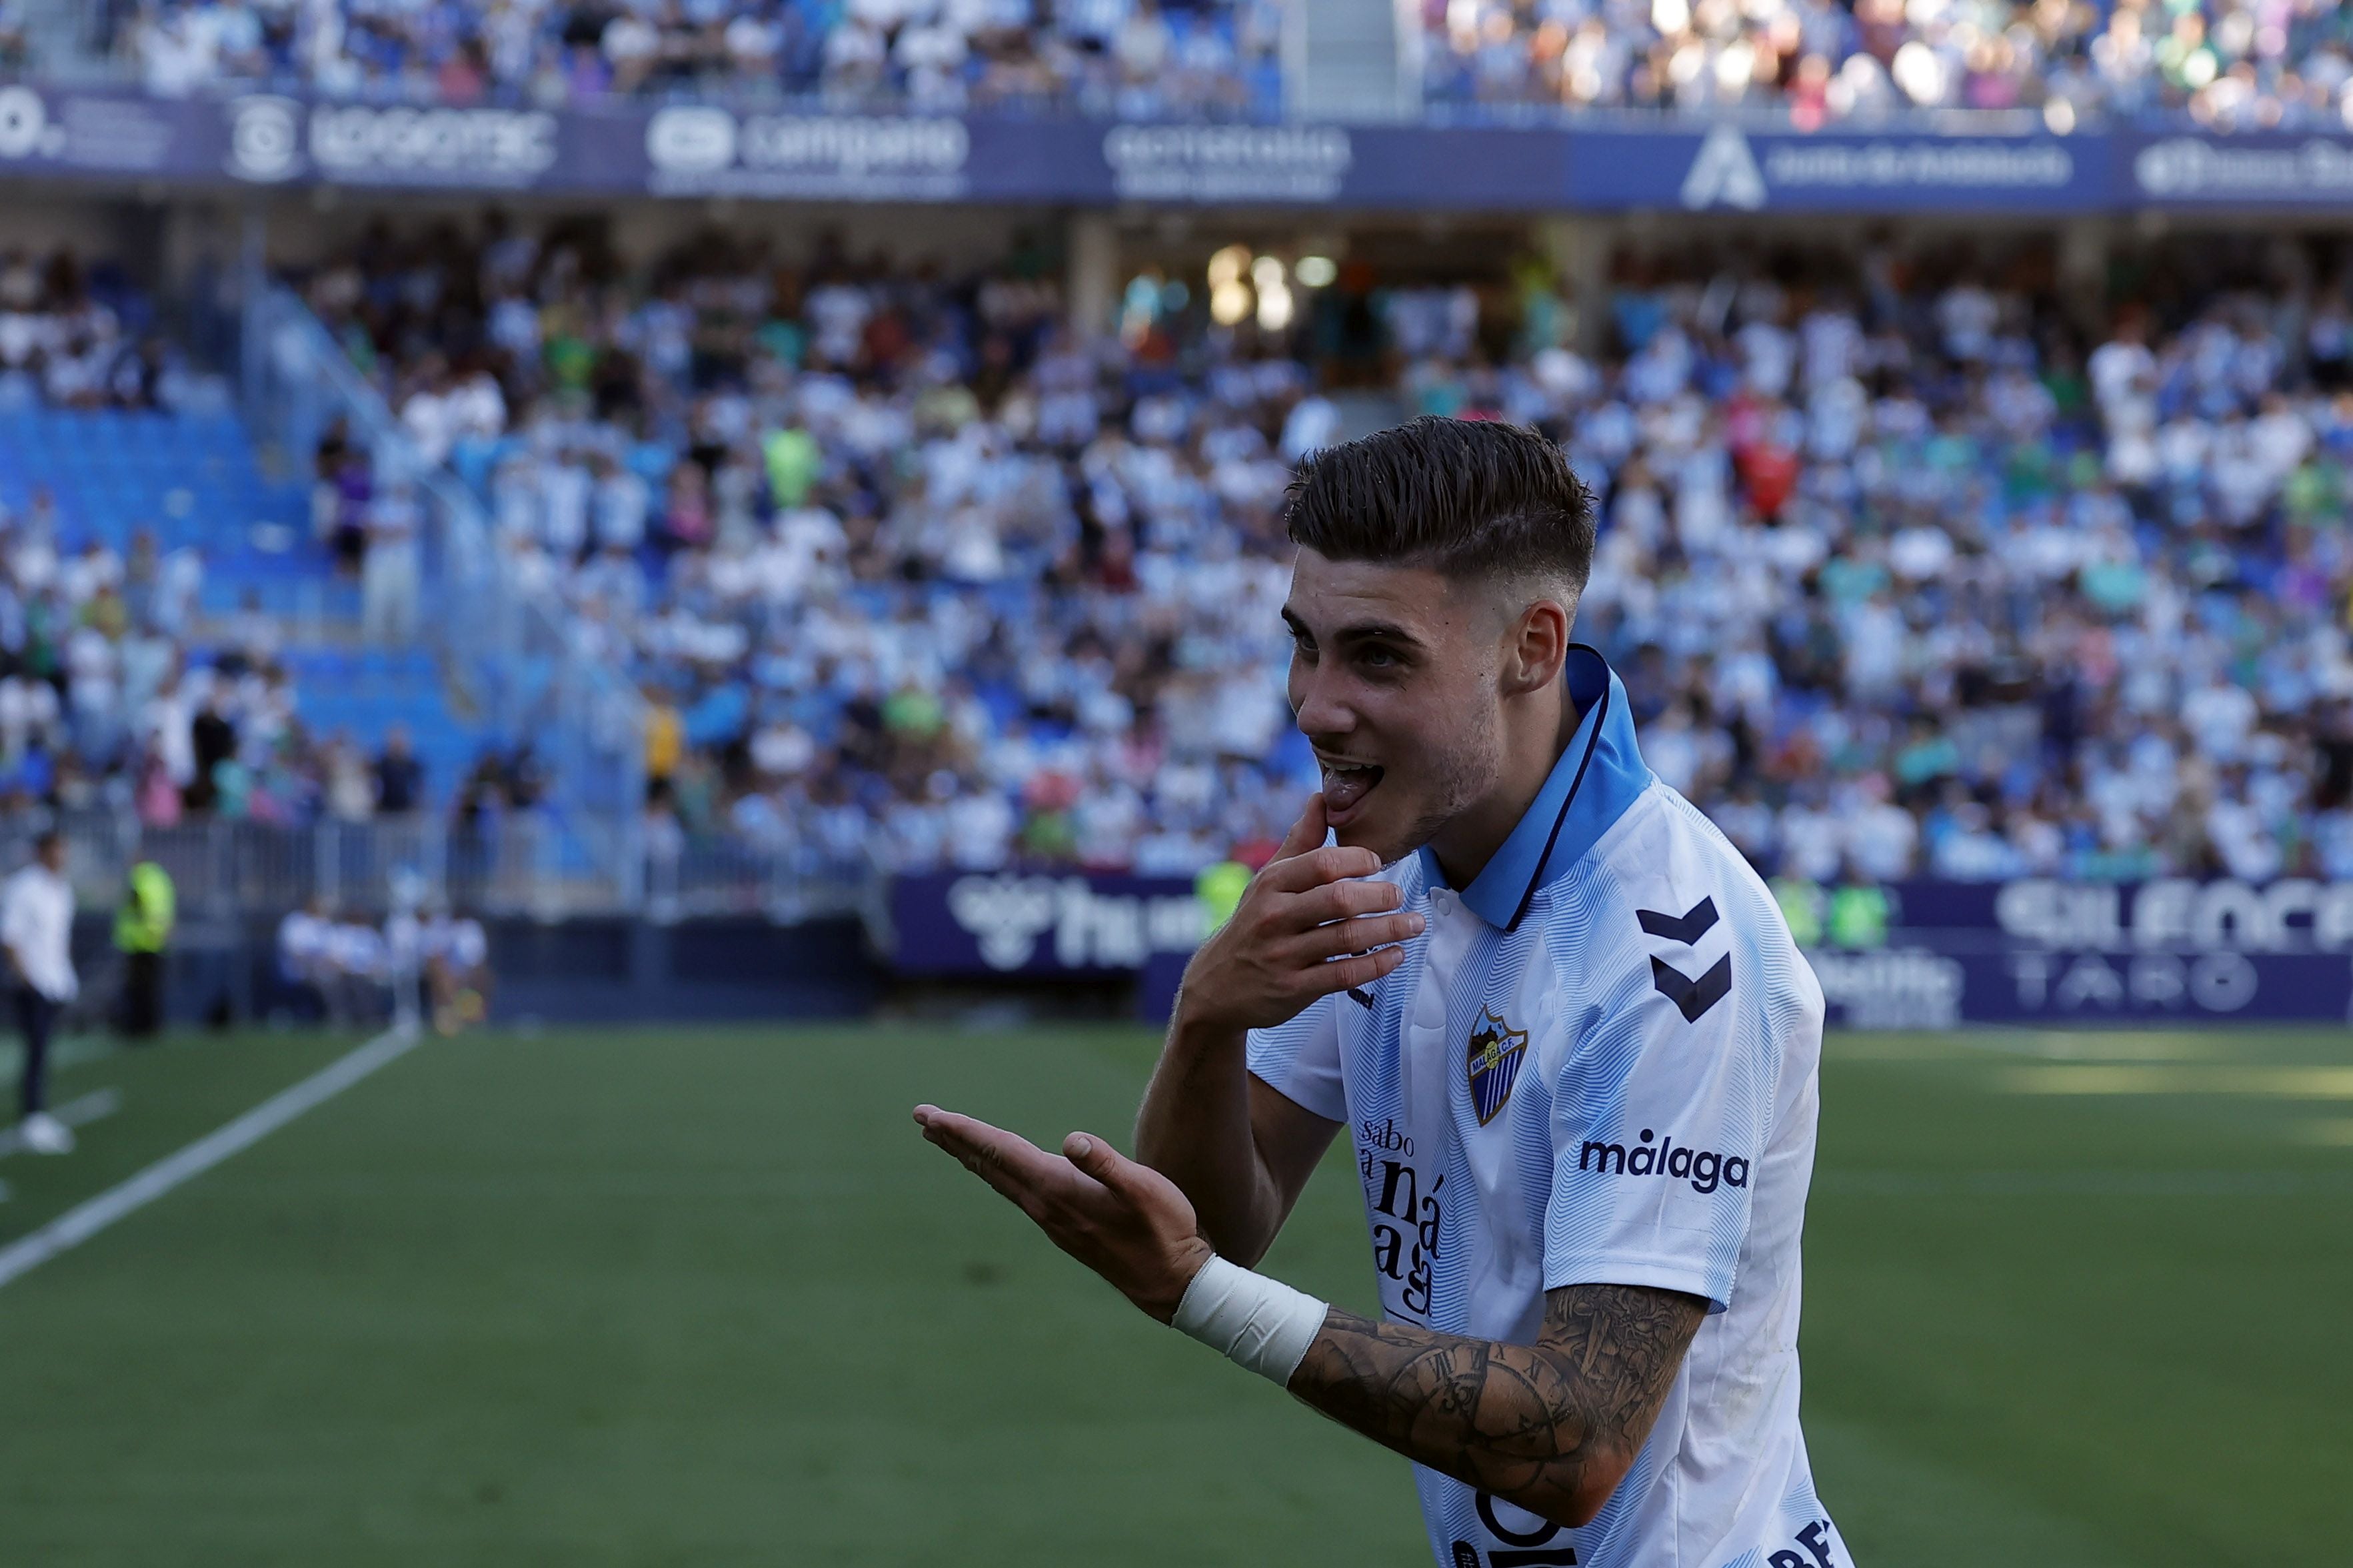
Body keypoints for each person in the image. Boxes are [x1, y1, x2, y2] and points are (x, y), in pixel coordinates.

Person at [914, 418, 1844, 1568]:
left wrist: (1200, 1296)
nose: (1313, 703)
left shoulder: (1670, 958)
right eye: (1303, 644)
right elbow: (1215, 1216)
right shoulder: (1387, 864)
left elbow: (1580, 1438)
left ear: (1534, 647)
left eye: (1379, 656)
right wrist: (1209, 1014)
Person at [3, 830, 78, 1154]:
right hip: (32, 983)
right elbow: (10, 937)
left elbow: (60, 939)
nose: (63, 857)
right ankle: (33, 1116)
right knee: (36, 1049)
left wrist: (63, 978)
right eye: (57, 850)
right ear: (43, 851)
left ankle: (37, 1113)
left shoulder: (61, 888)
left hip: (54, 981)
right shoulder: (24, 887)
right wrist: (27, 979)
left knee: (44, 1049)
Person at [113, 856, 174, 1039]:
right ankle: (152, 1026)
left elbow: (138, 905)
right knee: (151, 988)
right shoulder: (161, 878)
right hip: (157, 940)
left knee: (139, 988)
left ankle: (139, 1026)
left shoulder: (139, 879)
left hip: (139, 942)